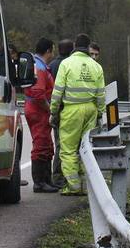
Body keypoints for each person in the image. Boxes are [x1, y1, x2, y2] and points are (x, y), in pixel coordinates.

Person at [49, 33, 106, 196]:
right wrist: (100, 112)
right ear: (88, 48)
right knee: (85, 148)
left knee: (68, 149)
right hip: (91, 110)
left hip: (72, 110)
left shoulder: (66, 63)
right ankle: (86, 184)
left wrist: (54, 111)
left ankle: (74, 185)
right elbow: (101, 94)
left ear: (75, 46)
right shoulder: (96, 66)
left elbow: (57, 91)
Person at [24, 38, 57, 193]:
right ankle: (39, 183)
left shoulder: (39, 65)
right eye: (52, 50)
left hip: (37, 109)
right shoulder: (40, 67)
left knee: (47, 145)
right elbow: (38, 93)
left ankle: (47, 180)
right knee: (41, 145)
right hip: (39, 111)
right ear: (49, 50)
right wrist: (49, 108)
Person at [48, 38, 75, 188]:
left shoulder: (50, 66)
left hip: (56, 109)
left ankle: (57, 175)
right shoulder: (69, 65)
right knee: (69, 145)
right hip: (68, 110)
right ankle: (62, 177)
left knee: (59, 143)